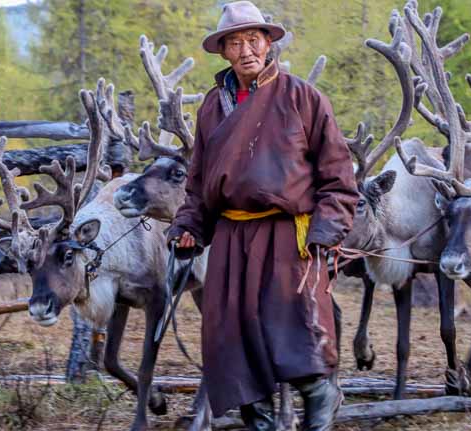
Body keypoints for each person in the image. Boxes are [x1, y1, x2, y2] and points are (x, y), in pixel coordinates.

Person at [166, 2, 358, 429]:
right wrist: (188, 227)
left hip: (291, 237)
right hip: (233, 239)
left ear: (269, 42)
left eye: (253, 39)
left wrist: (326, 230)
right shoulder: (213, 107)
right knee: (235, 344)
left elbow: (338, 176)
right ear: (223, 52)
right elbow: (199, 183)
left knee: (299, 336)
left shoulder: (302, 98)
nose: (246, 49)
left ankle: (322, 403)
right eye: (235, 42)